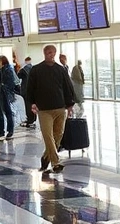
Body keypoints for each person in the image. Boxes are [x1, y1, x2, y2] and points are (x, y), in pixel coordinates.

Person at [25, 45, 76, 173]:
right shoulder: (36, 70)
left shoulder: (61, 70)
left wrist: (70, 105)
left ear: (55, 53)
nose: (50, 54)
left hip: (60, 108)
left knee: (58, 136)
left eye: (52, 52)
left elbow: (68, 88)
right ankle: (56, 163)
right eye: (48, 52)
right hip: (44, 110)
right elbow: (30, 89)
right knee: (48, 136)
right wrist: (32, 103)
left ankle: (45, 157)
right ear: (44, 53)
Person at [0, 55, 18, 141]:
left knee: (8, 113)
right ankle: (1, 132)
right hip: (1, 94)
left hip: (6, 94)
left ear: (2, 61)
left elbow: (11, 83)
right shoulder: (1, 70)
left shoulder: (8, 70)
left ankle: (10, 131)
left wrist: (3, 87)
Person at [18, 56, 36, 128]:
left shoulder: (24, 69)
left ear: (26, 61)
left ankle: (29, 119)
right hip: (33, 90)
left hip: (26, 90)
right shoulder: (34, 68)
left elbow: (18, 76)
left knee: (28, 105)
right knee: (33, 104)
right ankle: (33, 118)